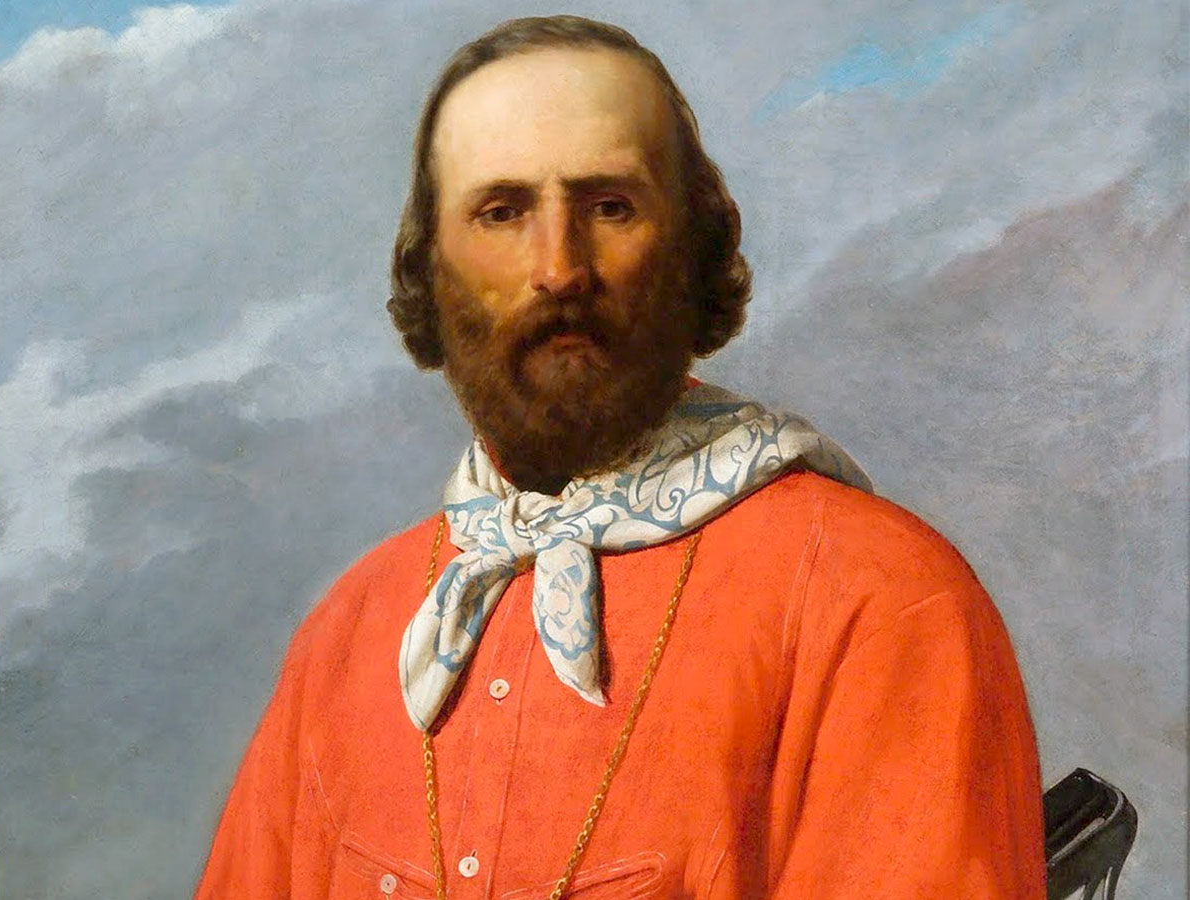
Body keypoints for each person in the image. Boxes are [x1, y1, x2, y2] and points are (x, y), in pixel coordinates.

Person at [195, 15, 1046, 899]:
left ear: (692, 249)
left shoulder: (880, 597)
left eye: (610, 207)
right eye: (501, 212)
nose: (559, 269)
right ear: (431, 267)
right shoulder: (353, 630)